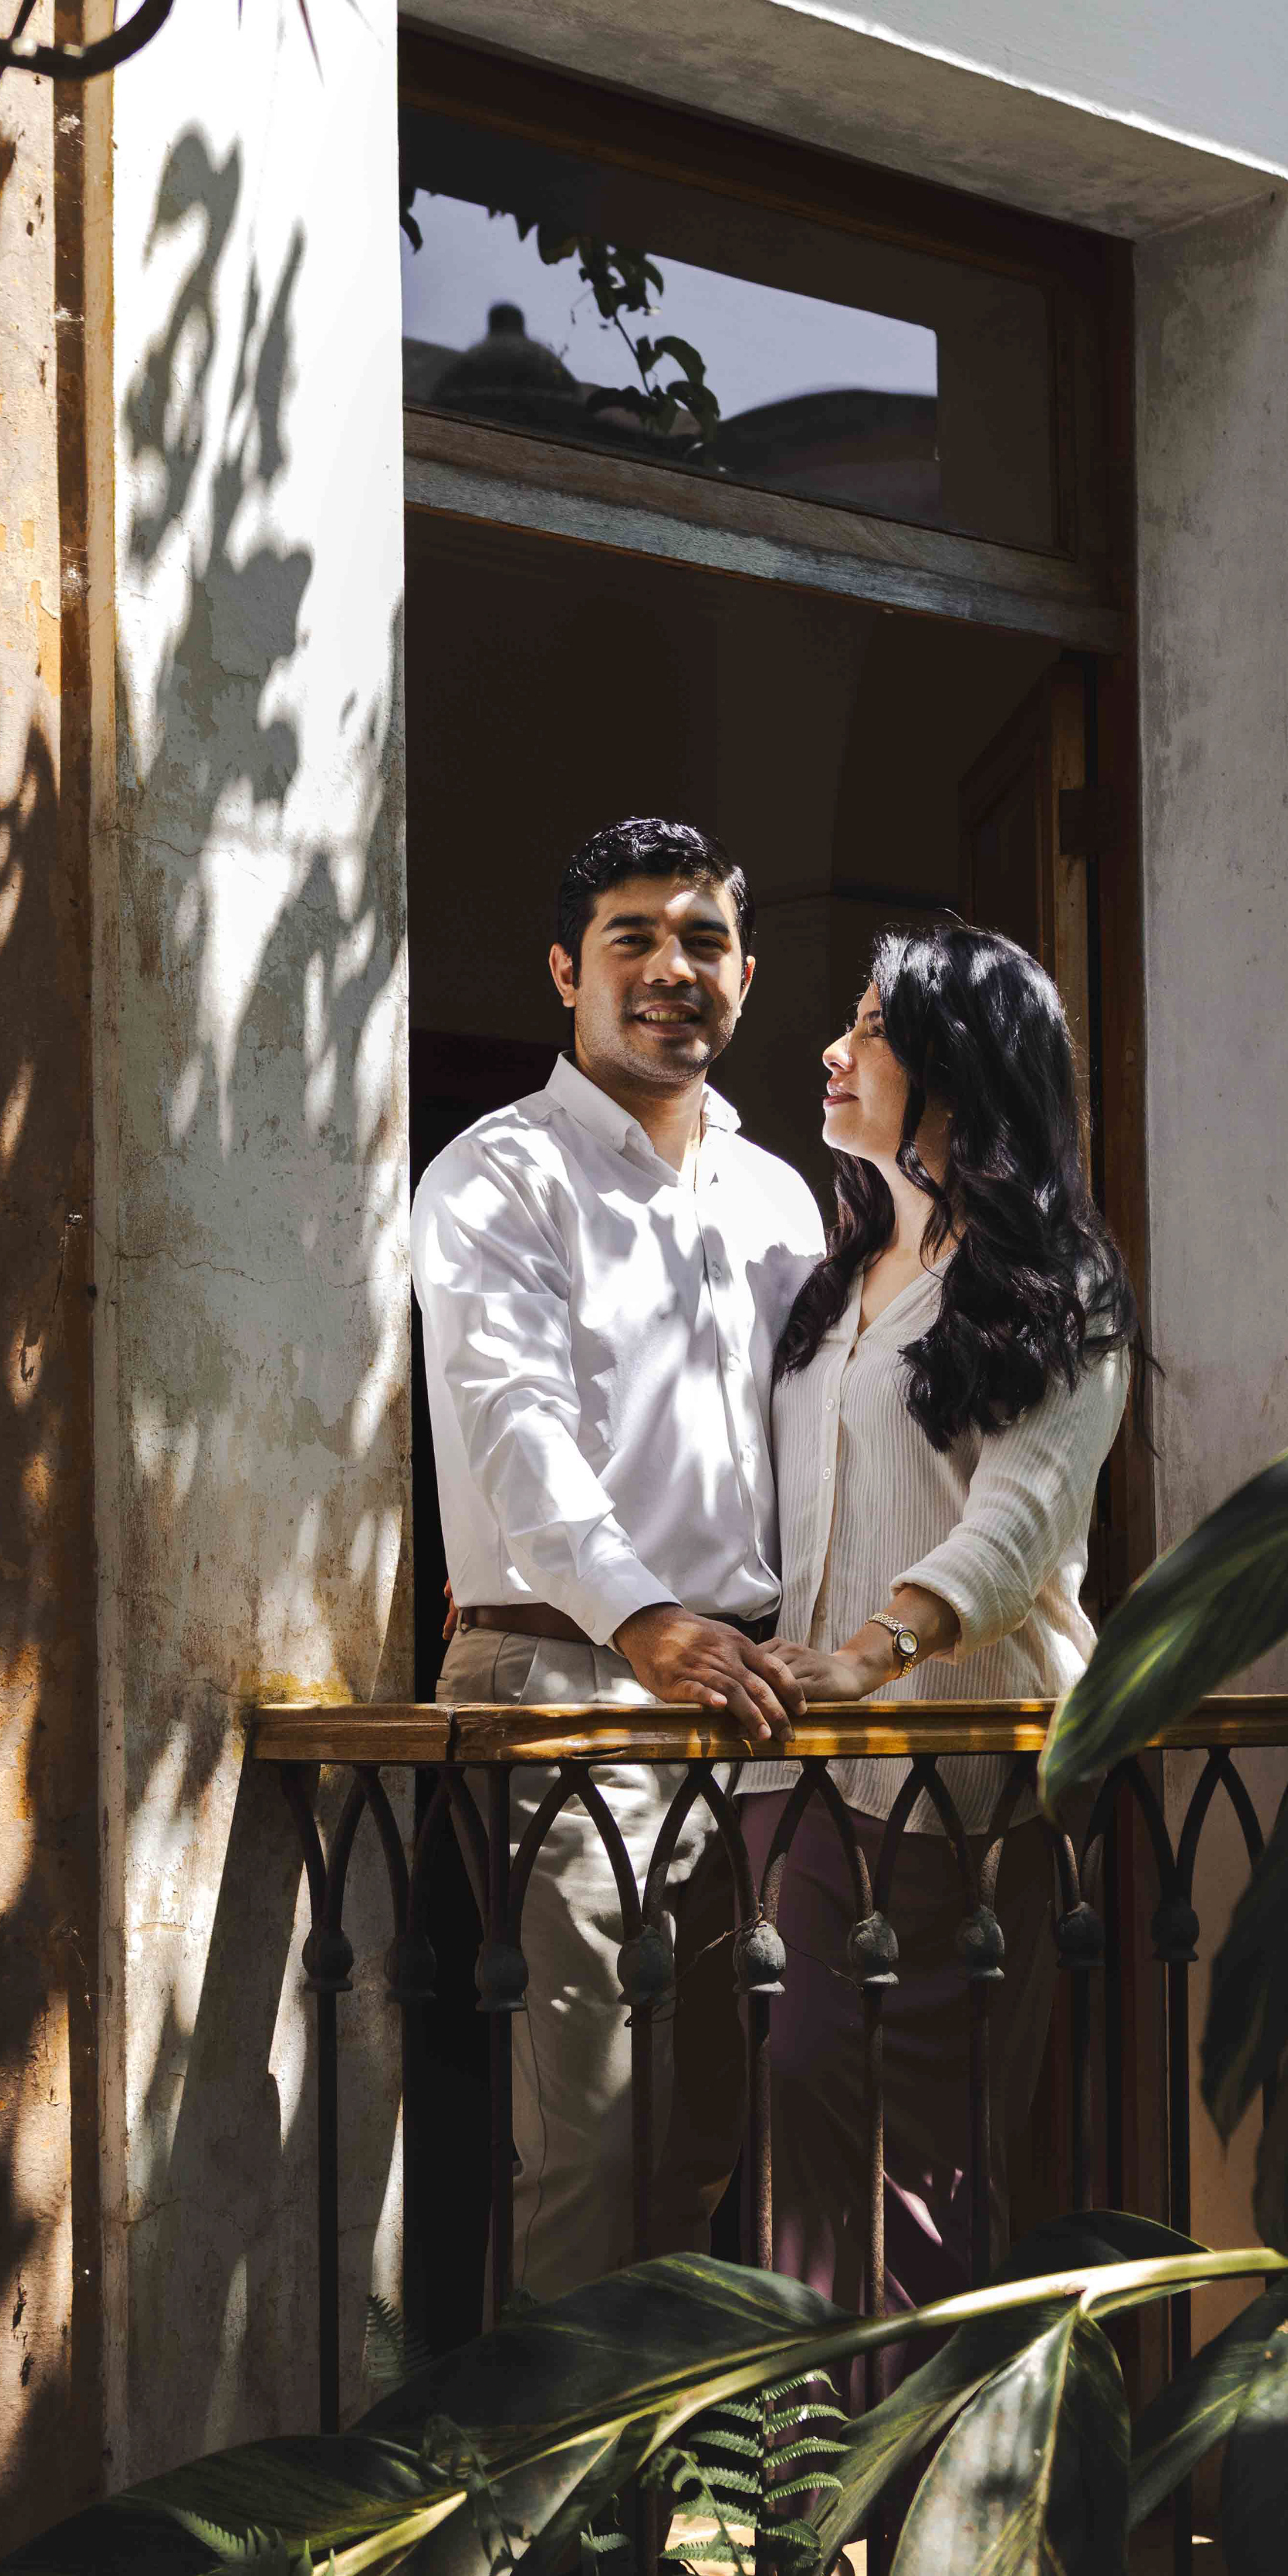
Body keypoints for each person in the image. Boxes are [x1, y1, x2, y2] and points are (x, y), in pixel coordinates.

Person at [410, 818, 826, 2298]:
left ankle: (657, 2436)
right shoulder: (497, 1175)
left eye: (703, 939)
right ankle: (545, 2451)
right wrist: (641, 1617)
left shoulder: (781, 1196)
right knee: (586, 2134)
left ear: (747, 975)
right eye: (631, 938)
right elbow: (512, 1425)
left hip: (745, 1696)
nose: (670, 968)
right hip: (567, 1676)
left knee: (703, 2126)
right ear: (563, 972)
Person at [738, 920, 1137, 2311]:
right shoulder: (830, 1290)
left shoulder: (1057, 1287)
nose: (832, 1051)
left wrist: (874, 1653)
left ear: (956, 1070)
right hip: (800, 1777)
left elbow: (1015, 1529)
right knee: (800, 2116)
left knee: (931, 2164)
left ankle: (933, 2445)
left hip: (962, 1782)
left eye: (871, 1028)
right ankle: (814, 2435)